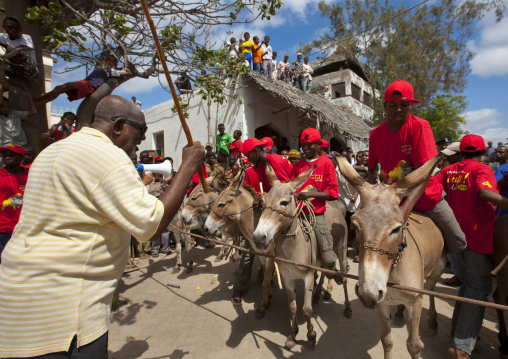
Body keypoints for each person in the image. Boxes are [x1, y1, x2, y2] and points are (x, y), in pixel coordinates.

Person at [0, 95, 205, 358]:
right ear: (118, 126)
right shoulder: (105, 154)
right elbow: (151, 226)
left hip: (21, 302)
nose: (142, 140)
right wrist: (187, 166)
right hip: (66, 312)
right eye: (140, 131)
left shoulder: (52, 151)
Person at [368, 79, 466, 256]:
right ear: (385, 106)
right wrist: (372, 196)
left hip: (427, 198)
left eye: (404, 105)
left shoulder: (419, 126)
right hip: (393, 199)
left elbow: (425, 170)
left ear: (410, 106)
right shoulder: (375, 133)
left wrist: (405, 210)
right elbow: (372, 169)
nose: (399, 109)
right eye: (393, 105)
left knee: (459, 242)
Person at [435, 134, 508, 359]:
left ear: (461, 151)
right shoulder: (481, 169)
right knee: (479, 289)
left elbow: (436, 191)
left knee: (467, 285)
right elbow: (485, 192)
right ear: (482, 152)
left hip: (455, 235)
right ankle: (462, 347)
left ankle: (458, 329)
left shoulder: (450, 170)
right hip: (476, 237)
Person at [231, 137, 293, 305]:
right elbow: (251, 191)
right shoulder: (254, 168)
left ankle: (265, 275)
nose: (246, 159)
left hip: (279, 212)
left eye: (248, 155)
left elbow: (284, 191)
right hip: (261, 212)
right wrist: (256, 197)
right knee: (248, 247)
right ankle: (240, 286)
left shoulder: (277, 162)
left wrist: (266, 198)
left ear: (256, 152)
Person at [291, 128, 342, 283]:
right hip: (296, 213)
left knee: (327, 255)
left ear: (319, 145)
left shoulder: (326, 163)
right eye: (303, 146)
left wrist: (310, 194)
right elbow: (290, 186)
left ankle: (331, 269)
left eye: (308, 145)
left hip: (316, 215)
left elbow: (333, 194)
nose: (305, 149)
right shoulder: (298, 166)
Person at [36, 55, 132, 104]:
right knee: (59, 87)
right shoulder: (100, 67)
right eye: (108, 60)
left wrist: (125, 66)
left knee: (67, 86)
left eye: (112, 61)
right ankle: (44, 99)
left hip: (89, 86)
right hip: (84, 83)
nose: (109, 62)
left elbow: (128, 73)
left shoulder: (111, 71)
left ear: (115, 64)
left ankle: (43, 96)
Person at [0, 144, 28, 263]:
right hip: (4, 229)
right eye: (5, 156)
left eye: (11, 155)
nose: (6, 158)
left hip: (27, 227)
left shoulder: (30, 175)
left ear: (22, 158)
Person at [0, 17, 38, 82]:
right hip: (11, 69)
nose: (13, 30)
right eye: (10, 27)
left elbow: (15, 50)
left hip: (28, 71)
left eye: (16, 28)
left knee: (13, 51)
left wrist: (3, 44)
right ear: (4, 27)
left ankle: (19, 80)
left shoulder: (26, 37)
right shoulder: (2, 37)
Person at [495, 144, 508, 219]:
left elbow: (495, 189)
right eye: (496, 152)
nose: (497, 154)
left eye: (501, 152)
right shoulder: (501, 168)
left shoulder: (502, 169)